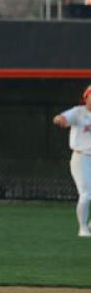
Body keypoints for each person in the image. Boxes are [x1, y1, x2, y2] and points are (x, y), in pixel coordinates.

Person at [53, 85, 91, 237]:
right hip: (81, 157)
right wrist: (60, 119)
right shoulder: (79, 112)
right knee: (86, 193)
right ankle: (82, 228)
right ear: (86, 97)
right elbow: (62, 117)